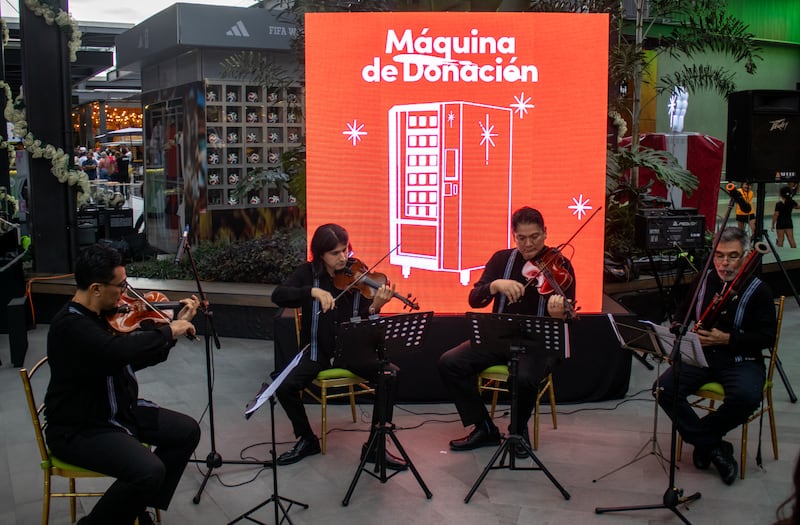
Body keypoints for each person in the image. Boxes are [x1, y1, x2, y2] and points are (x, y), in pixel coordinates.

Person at [44, 244, 202, 524]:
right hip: (81, 426)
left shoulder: (102, 317)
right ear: (95, 289)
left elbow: (130, 358)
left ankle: (136, 507)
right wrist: (167, 330)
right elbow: (116, 352)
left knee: (187, 431)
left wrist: (173, 331)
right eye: (120, 286)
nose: (125, 293)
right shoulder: (70, 326)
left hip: (119, 409)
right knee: (148, 470)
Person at [438, 206, 575, 454]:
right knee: (450, 362)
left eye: (534, 236)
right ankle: (484, 427)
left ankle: (518, 430)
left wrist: (559, 315)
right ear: (514, 236)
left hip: (538, 344)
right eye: (521, 238)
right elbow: (474, 299)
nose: (528, 244)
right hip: (499, 339)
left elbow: (569, 321)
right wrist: (495, 286)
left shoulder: (560, 265)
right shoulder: (501, 260)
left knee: (522, 377)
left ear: (545, 233)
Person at [270, 223, 407, 469]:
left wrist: (375, 307)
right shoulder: (307, 274)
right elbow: (278, 295)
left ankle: (375, 446)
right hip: (317, 351)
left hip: (352, 353)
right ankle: (307, 439)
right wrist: (311, 291)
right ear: (320, 254)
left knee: (390, 375)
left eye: (345, 250)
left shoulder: (359, 276)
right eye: (335, 253)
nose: (343, 258)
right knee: (284, 386)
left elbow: (367, 323)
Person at [655, 227, 776, 485]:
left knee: (746, 397)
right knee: (663, 389)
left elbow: (767, 337)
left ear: (744, 258)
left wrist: (728, 339)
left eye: (732, 256)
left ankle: (703, 442)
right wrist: (676, 335)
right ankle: (714, 448)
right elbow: (682, 315)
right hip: (702, 356)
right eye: (719, 256)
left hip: (740, 360)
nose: (724, 263)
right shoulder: (703, 280)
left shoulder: (760, 290)